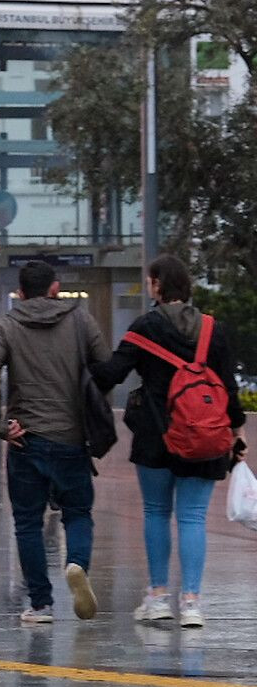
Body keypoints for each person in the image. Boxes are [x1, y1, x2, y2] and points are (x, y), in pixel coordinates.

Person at [91, 255, 247, 628]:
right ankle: (191, 602)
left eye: (150, 282)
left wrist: (81, 362)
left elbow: (110, 374)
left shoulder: (145, 327)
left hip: (156, 436)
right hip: (205, 436)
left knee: (156, 512)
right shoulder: (212, 329)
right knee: (193, 516)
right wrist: (237, 432)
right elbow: (228, 387)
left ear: (157, 285)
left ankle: (158, 597)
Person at [0, 261, 111, 623]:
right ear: (55, 288)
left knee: (27, 522)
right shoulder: (81, 320)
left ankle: (40, 604)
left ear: (20, 293)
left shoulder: (6, 325)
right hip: (72, 438)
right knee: (78, 513)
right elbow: (105, 366)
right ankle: (77, 563)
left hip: (26, 439)